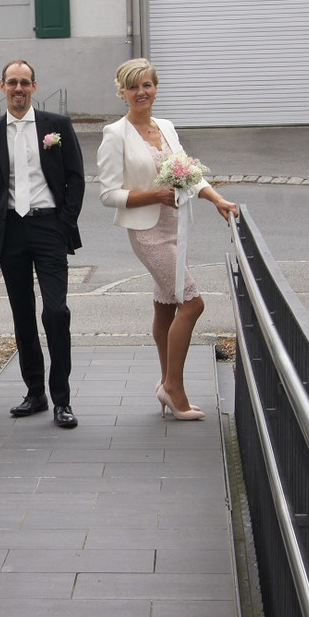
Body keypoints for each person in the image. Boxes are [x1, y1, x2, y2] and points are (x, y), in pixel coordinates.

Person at [96, 58, 238, 421]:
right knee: (192, 304)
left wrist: (217, 199)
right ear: (122, 92)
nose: (141, 92)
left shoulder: (167, 127)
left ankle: (165, 382)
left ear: (155, 88)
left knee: (165, 305)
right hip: (147, 233)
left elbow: (188, 173)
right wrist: (155, 195)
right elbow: (108, 194)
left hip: (177, 228)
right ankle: (174, 387)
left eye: (147, 85)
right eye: (133, 87)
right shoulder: (115, 134)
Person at [0, 60, 85, 429]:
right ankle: (35, 393)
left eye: (25, 82)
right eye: (12, 82)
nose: (18, 88)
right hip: (11, 230)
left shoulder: (56, 126)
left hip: (49, 228)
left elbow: (75, 178)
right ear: (2, 86)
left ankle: (62, 400)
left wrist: (63, 224)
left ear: (34, 86)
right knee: (23, 316)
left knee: (55, 312)